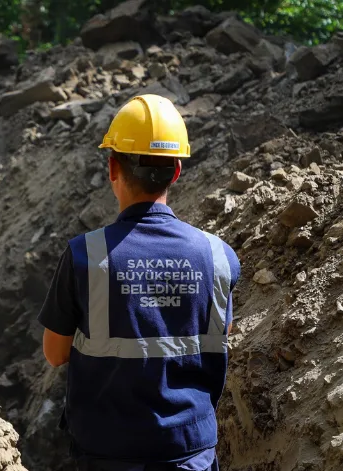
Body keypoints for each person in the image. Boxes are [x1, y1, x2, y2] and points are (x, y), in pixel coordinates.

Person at [37, 94, 240, 471]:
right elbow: (217, 336)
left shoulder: (86, 255)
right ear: (176, 171)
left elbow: (55, 353)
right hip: (190, 451)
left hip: (108, 452)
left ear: (113, 167)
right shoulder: (218, 257)